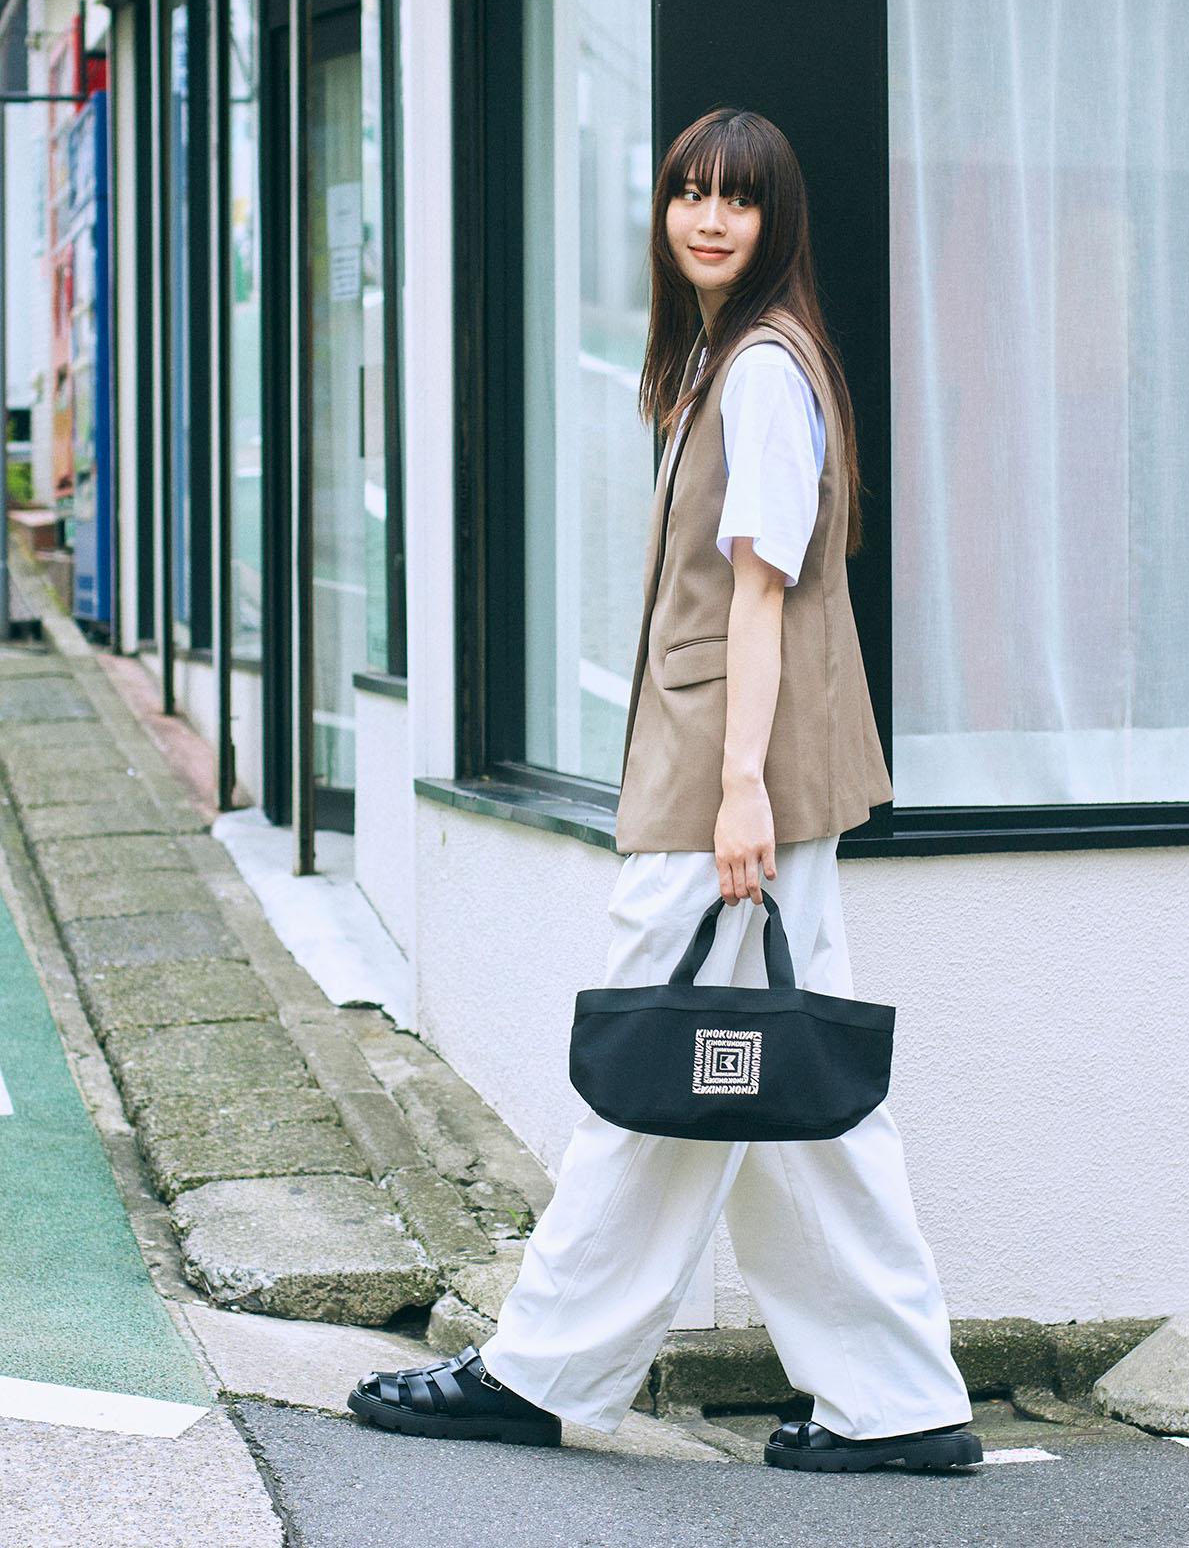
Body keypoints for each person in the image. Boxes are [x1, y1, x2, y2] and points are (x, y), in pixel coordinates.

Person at [349, 108, 982, 1474]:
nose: (707, 218)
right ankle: (896, 1400)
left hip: (728, 786)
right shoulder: (732, 360)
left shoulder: (759, 369)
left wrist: (740, 792)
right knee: (782, 1097)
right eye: (688, 194)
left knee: (655, 1076)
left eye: (736, 200)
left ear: (774, 222)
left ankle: (539, 1373)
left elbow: (761, 593)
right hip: (739, 779)